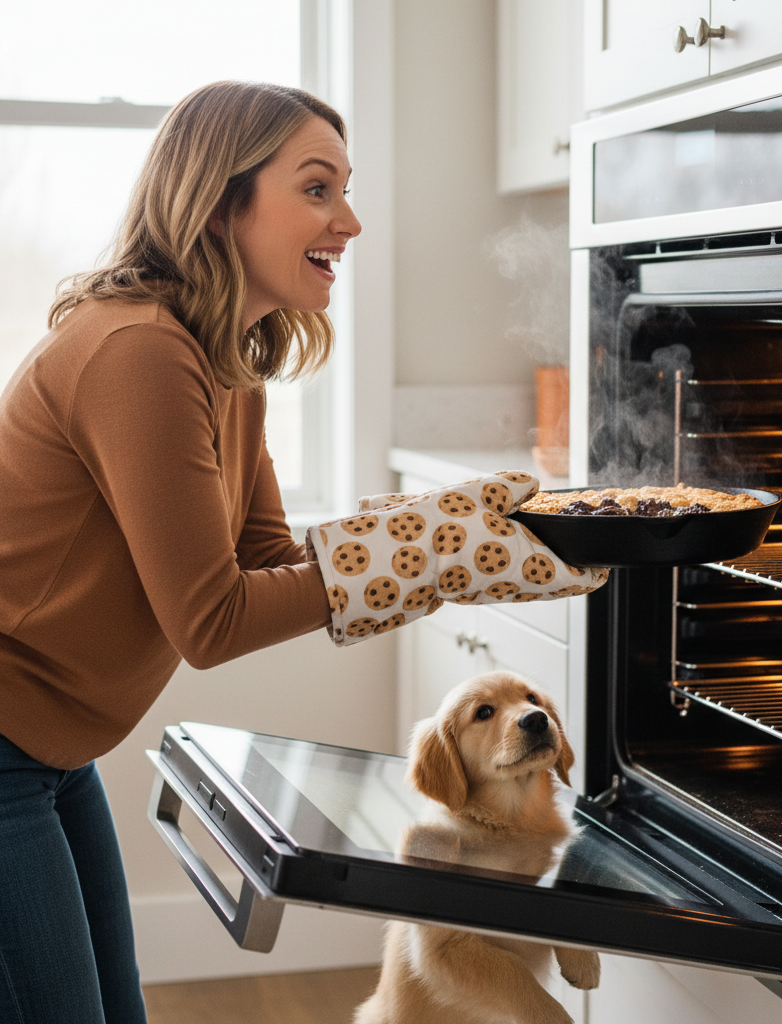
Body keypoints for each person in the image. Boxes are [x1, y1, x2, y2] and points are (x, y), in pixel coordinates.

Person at [0, 81, 604, 1023]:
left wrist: (440, 535)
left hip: (50, 750)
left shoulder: (223, 359)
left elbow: (268, 554)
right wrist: (433, 554)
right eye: (318, 189)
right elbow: (211, 618)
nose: (351, 220)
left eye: (346, 189)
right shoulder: (139, 353)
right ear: (219, 201)